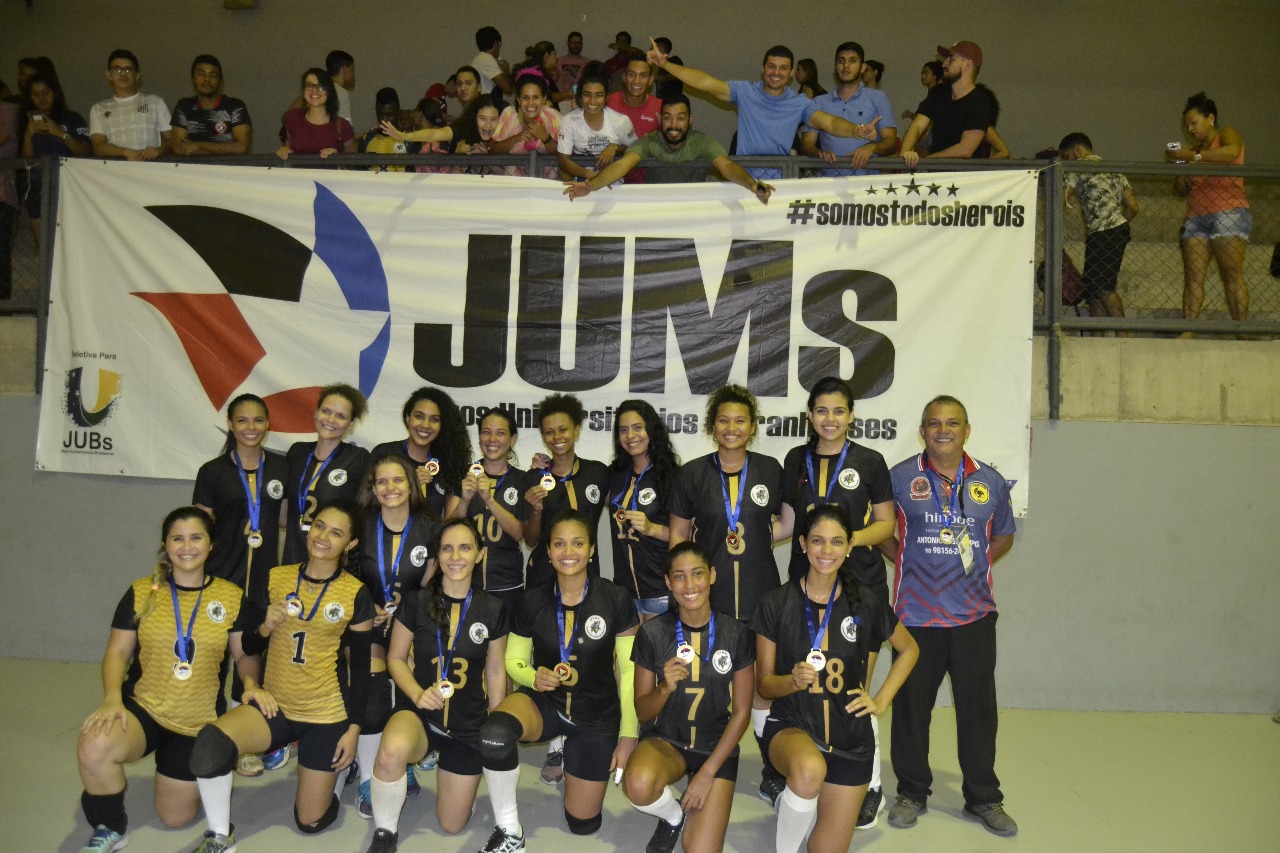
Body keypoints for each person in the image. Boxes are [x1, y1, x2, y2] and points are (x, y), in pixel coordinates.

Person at [189, 500, 374, 851]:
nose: (323, 537)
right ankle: (217, 835)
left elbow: (361, 669)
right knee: (210, 748)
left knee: (311, 822)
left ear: (350, 544)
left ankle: (334, 779)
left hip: (326, 714)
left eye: (336, 533)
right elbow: (247, 643)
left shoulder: (356, 593)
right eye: (319, 526)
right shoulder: (277, 576)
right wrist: (264, 626)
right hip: (276, 706)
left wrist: (353, 729)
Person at [75, 507, 251, 853]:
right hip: (144, 709)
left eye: (196, 537)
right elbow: (117, 652)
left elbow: (245, 656)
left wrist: (252, 686)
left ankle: (194, 770)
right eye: (178, 538)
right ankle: (109, 826)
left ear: (211, 545)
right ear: (165, 546)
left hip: (196, 721)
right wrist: (112, 698)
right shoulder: (143, 592)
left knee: (175, 818)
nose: (187, 546)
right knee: (94, 744)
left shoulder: (230, 597)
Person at [884, 396, 1018, 837]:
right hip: (915, 617)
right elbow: (884, 534)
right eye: (934, 423)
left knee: (978, 710)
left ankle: (983, 796)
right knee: (910, 708)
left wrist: (973, 567)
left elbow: (1001, 537)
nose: (943, 430)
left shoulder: (991, 482)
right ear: (922, 431)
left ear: (967, 430)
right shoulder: (900, 478)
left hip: (973, 617)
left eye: (952, 423)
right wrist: (906, 559)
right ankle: (912, 792)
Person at [754, 504, 919, 853]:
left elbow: (909, 650)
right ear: (802, 543)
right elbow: (764, 684)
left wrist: (881, 699)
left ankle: (797, 806)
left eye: (836, 542)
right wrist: (791, 681)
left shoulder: (867, 603)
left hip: (851, 740)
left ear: (848, 547)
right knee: (809, 769)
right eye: (817, 541)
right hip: (792, 727)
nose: (826, 551)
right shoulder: (775, 602)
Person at [476, 510, 640, 852]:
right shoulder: (532, 600)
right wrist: (532, 675)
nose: (569, 552)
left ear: (591, 549)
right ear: (548, 552)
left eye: (578, 543)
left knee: (583, 825)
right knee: (494, 735)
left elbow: (628, 673)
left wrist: (628, 734)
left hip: (597, 715)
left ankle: (573, 754)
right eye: (559, 544)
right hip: (546, 703)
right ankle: (510, 831)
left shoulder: (616, 598)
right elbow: (513, 661)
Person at [780, 376, 896, 827]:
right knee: (806, 679)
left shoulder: (870, 460)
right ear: (810, 416)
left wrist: (844, 545)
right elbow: (789, 524)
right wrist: (729, 541)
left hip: (858, 585)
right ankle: (806, 769)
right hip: (805, 588)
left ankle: (869, 783)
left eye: (839, 411)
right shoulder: (796, 459)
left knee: (854, 689)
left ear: (851, 416)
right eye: (821, 411)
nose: (830, 419)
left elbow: (885, 525)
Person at [668, 384, 787, 804]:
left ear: (752, 427)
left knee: (758, 686)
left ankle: (773, 769)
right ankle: (701, 758)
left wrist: (759, 538)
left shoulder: (771, 469)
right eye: (723, 420)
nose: (731, 427)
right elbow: (679, 537)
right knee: (709, 680)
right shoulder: (693, 474)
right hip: (710, 598)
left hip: (760, 592)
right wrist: (686, 589)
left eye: (740, 420)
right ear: (711, 426)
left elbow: (789, 519)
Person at [363, 518, 510, 853]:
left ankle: (461, 790)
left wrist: (497, 724)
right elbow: (396, 658)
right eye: (446, 548)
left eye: (464, 547)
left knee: (452, 825)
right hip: (420, 715)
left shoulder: (493, 608)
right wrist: (416, 693)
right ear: (438, 556)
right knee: (391, 751)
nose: (455, 556)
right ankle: (385, 833)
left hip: (468, 724)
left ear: (479, 554)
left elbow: (497, 671)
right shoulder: (416, 602)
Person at [622, 542, 755, 853]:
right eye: (679, 577)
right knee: (638, 785)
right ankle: (672, 816)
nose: (689, 585)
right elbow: (642, 711)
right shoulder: (653, 633)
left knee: (701, 850)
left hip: (714, 747)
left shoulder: (736, 634)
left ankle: (701, 786)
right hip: (667, 741)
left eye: (697, 574)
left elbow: (743, 712)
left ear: (712, 575)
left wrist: (708, 772)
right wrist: (664, 688)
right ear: (668, 583)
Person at [191, 393, 287, 777]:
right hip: (221, 582)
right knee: (214, 660)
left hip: (263, 584)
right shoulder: (212, 472)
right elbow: (199, 531)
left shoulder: (280, 467)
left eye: (258, 420)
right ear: (231, 424)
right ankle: (202, 732)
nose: (251, 428)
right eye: (243, 421)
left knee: (251, 660)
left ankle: (242, 740)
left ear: (268, 424)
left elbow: (286, 518)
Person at [349, 454, 442, 816]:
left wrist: (409, 618)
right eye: (382, 482)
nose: (390, 488)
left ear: (412, 485)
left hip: (411, 624)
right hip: (367, 624)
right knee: (372, 687)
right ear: (373, 488)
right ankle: (370, 780)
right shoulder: (360, 523)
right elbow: (347, 573)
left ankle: (399, 759)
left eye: (398, 480)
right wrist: (363, 608)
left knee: (411, 683)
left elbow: (434, 583)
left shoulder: (431, 527)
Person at [645, 41, 879, 180]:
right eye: (771, 66)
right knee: (743, 250)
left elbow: (828, 123)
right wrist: (665, 64)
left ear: (790, 74)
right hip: (743, 179)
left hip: (782, 181)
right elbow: (706, 83)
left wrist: (857, 131)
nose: (776, 72)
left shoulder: (799, 103)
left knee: (780, 253)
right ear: (763, 69)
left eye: (783, 68)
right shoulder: (745, 92)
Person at [563, 93, 774, 202]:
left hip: (691, 215)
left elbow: (726, 166)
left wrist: (752, 184)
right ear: (660, 119)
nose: (674, 126)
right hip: (656, 216)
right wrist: (591, 186)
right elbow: (623, 165)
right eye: (668, 118)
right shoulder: (649, 141)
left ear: (690, 120)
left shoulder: (701, 141)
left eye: (680, 119)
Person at [1166, 91, 1250, 330]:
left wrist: (1194, 155)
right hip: (1196, 216)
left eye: (1194, 123)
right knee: (1193, 277)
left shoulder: (1225, 133)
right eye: (1187, 125)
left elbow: (1233, 151)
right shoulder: (1193, 151)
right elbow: (1181, 190)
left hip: (1229, 212)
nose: (1190, 129)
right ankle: (1189, 330)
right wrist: (1181, 164)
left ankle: (1242, 333)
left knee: (1231, 273)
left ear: (1210, 118)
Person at [521, 392, 610, 591]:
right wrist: (535, 510)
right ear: (543, 436)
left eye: (563, 430)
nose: (557, 437)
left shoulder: (598, 472)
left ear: (577, 430)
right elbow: (530, 540)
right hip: (544, 576)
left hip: (588, 571)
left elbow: (621, 507)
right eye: (549, 432)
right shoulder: (534, 478)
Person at [454, 407, 531, 616]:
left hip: (507, 584)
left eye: (500, 433)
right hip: (465, 580)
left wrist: (489, 500)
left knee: (505, 647)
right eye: (486, 432)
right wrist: (465, 500)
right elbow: (447, 528)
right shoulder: (464, 476)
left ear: (513, 439)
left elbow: (519, 533)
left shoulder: (523, 480)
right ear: (479, 437)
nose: (492, 439)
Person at [283, 383, 370, 565]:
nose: (331, 420)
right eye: (326, 411)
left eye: (340, 416)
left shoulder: (358, 458)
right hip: (292, 556)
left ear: (351, 424)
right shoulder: (297, 452)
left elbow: (364, 515)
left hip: (333, 562)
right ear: (316, 412)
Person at [608, 399, 679, 620]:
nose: (631, 436)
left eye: (638, 427)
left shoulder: (672, 475)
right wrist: (545, 466)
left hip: (659, 589)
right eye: (623, 430)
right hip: (623, 591)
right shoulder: (614, 475)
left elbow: (687, 535)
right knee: (626, 655)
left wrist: (652, 528)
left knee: (657, 655)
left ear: (651, 429)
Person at [1059, 132, 1140, 325]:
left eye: (1068, 157)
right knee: (1094, 288)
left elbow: (1063, 198)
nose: (1068, 162)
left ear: (1077, 151)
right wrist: (1116, 222)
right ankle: (1099, 333)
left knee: (1102, 288)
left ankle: (1122, 334)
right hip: (1117, 231)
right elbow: (1134, 207)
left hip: (1100, 233)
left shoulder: (1078, 167)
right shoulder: (1114, 169)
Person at [370, 386, 471, 520]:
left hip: (430, 540)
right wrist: (409, 484)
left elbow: (449, 525)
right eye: (419, 416)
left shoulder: (449, 463)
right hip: (384, 538)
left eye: (434, 419)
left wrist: (465, 500)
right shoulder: (384, 453)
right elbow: (366, 505)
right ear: (408, 419)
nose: (425, 425)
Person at [799, 42, 897, 176]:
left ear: (862, 67)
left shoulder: (878, 98)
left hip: (866, 185)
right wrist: (819, 153)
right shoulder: (819, 102)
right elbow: (807, 143)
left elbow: (891, 142)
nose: (846, 66)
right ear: (835, 67)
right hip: (827, 184)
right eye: (841, 61)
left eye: (852, 61)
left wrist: (871, 148)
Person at [18, 71, 90, 250]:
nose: (42, 98)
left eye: (46, 92)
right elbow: (25, 160)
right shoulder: (25, 121)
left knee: (72, 246)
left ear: (55, 93)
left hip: (68, 184)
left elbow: (86, 151)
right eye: (36, 94)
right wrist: (28, 135)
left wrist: (60, 133)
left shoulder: (72, 118)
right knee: (43, 247)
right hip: (37, 186)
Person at [898, 41, 994, 169]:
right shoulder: (939, 92)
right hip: (936, 177)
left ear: (967, 64)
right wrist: (904, 153)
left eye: (951, 59)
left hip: (964, 182)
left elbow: (965, 149)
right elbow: (917, 126)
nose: (944, 63)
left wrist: (926, 161)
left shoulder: (980, 102)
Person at [89, 49, 172, 160]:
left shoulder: (155, 102)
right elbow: (98, 147)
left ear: (137, 75)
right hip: (113, 173)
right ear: (109, 75)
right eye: (117, 69)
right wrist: (125, 152)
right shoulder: (98, 109)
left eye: (128, 70)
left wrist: (158, 151)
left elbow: (173, 140)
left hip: (150, 171)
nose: (123, 74)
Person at [557, 68, 636, 183]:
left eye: (598, 95)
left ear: (606, 97)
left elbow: (636, 149)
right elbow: (563, 161)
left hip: (614, 184)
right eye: (587, 95)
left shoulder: (620, 121)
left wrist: (615, 148)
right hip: (582, 183)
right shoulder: (569, 121)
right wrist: (590, 175)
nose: (592, 101)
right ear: (579, 96)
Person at [170, 54, 252, 156]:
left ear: (220, 81)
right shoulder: (184, 106)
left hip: (228, 170)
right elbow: (178, 147)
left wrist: (198, 146)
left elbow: (240, 147)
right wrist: (222, 149)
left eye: (213, 75)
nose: (207, 79)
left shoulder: (235, 106)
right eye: (201, 74)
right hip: (192, 171)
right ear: (193, 78)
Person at [490, 69, 561, 177]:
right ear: (518, 100)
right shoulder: (509, 114)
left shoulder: (554, 117)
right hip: (514, 185)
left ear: (544, 99)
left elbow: (565, 155)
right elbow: (492, 150)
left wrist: (546, 138)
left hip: (547, 184)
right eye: (525, 98)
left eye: (536, 97)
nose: (530, 103)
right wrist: (516, 138)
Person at [277, 67, 355, 159]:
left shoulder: (342, 126)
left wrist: (336, 156)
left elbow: (353, 161)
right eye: (309, 85)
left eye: (320, 86)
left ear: (329, 91)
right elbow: (288, 148)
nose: (314, 90)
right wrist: (283, 151)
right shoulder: (292, 118)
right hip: (297, 173)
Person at [357, 87, 421, 171]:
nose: (384, 119)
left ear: (398, 112)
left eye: (389, 114)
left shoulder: (411, 142)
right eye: (380, 114)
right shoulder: (366, 140)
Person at [471, 26, 513, 97]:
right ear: (496, 43)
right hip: (485, 105)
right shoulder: (486, 58)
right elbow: (508, 89)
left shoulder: (478, 59)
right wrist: (506, 71)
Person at [556, 31, 593, 95]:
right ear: (568, 43)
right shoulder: (558, 61)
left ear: (582, 44)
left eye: (578, 42)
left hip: (579, 100)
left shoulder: (588, 63)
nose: (576, 45)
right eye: (573, 42)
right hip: (560, 100)